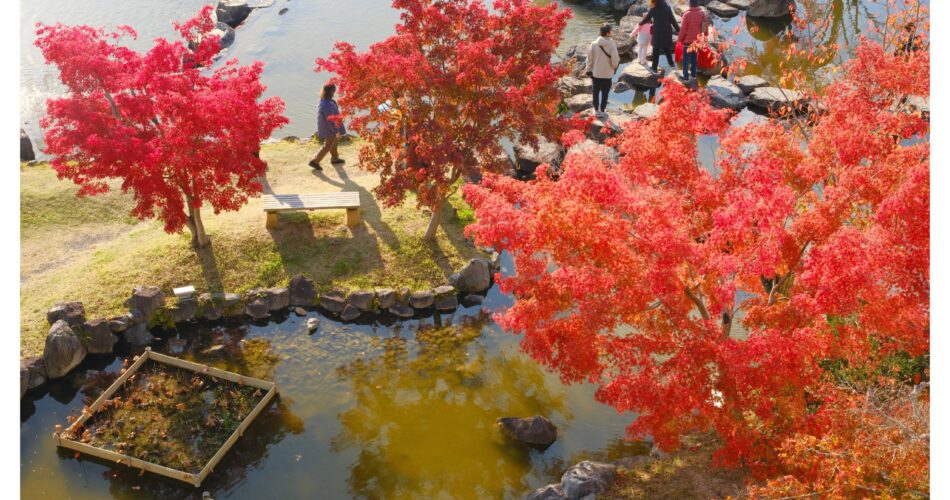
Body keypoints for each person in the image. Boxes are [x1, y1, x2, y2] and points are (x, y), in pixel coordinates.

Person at [309, 83, 346, 171]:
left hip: (325, 126)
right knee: (328, 145)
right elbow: (330, 120)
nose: (335, 92)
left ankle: (335, 158)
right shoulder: (327, 104)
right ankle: (315, 161)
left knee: (333, 142)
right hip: (329, 128)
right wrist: (336, 131)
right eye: (334, 90)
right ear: (331, 91)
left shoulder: (323, 100)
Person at [584, 23, 620, 115]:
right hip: (607, 74)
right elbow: (615, 60)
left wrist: (588, 70)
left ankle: (596, 110)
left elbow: (589, 59)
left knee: (595, 92)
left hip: (596, 73)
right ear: (608, 33)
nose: (612, 32)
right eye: (611, 30)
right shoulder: (612, 44)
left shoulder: (594, 44)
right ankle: (603, 110)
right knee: (605, 93)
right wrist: (614, 67)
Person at [639, 0, 680, 75]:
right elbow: (672, 20)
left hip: (657, 32)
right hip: (667, 31)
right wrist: (678, 30)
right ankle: (672, 64)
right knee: (667, 48)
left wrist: (640, 24)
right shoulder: (667, 8)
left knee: (656, 50)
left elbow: (646, 19)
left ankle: (654, 69)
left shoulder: (653, 9)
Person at [677, 0, 709, 82]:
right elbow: (706, 25)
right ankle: (694, 75)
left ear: (690, 3)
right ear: (698, 3)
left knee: (685, 59)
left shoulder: (686, 15)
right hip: (696, 41)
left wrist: (679, 39)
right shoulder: (702, 14)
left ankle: (686, 77)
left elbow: (683, 30)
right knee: (694, 57)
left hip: (687, 41)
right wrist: (706, 35)